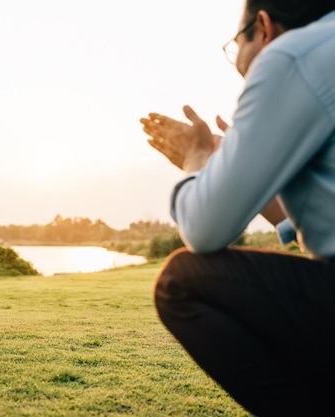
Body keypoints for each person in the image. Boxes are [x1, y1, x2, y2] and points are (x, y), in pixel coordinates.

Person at [139, 1, 335, 415]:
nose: (241, 67)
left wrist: (197, 159)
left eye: (236, 48)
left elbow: (204, 229)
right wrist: (250, 179)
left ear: (262, 26)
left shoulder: (291, 55)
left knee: (181, 280)